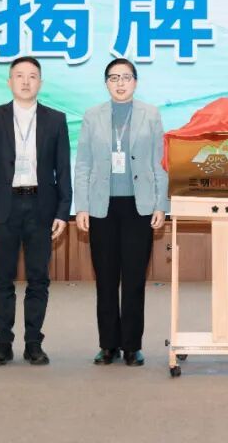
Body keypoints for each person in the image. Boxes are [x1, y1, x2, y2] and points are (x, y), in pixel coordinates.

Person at [0, 56, 71, 367]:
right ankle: (3, 344)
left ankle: (34, 343)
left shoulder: (56, 120)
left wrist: (63, 212)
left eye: (32, 76)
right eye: (19, 75)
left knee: (38, 279)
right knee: (2, 279)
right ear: (9, 82)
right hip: (4, 207)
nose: (26, 81)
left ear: (41, 82)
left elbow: (63, 170)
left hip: (41, 206)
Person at [74, 58, 168, 366]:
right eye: (113, 77)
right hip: (102, 207)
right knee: (105, 279)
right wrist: (82, 205)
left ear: (135, 82)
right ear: (106, 83)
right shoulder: (92, 116)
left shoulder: (150, 114)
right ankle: (108, 345)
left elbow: (160, 163)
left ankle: (131, 346)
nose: (120, 83)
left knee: (134, 279)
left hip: (139, 207)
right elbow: (83, 164)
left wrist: (160, 204)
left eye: (126, 77)